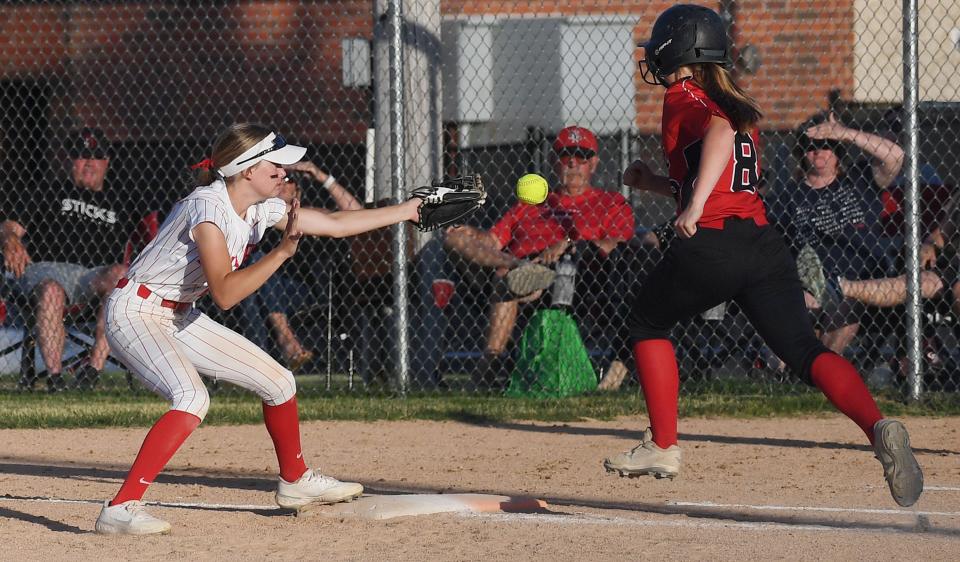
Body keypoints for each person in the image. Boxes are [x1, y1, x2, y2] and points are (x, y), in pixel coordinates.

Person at [602, 4, 923, 508]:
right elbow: (723, 172)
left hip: (714, 245)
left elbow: (719, 135)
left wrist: (696, 205)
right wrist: (660, 187)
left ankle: (663, 446)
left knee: (646, 324)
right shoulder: (732, 95)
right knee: (805, 351)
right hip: (762, 245)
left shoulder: (685, 94)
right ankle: (878, 427)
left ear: (678, 52)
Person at [93, 123, 423, 535]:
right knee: (192, 398)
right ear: (246, 169)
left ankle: (296, 481)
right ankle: (120, 508)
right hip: (134, 312)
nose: (285, 173)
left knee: (279, 382)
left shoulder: (256, 208)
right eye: (276, 165)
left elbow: (337, 223)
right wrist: (283, 252)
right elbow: (227, 295)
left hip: (177, 314)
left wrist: (409, 211)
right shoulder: (207, 210)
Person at [444, 125, 636, 389]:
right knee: (456, 237)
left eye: (581, 156)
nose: (572, 163)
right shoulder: (532, 203)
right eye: (565, 156)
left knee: (506, 278)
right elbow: (492, 242)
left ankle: (488, 364)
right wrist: (467, 233)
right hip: (513, 267)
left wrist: (569, 244)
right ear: (553, 162)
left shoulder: (610, 202)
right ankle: (519, 267)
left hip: (578, 277)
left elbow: (618, 245)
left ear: (594, 163)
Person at [0, 128, 135, 392]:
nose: (88, 162)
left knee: (121, 274)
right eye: (81, 155)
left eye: (95, 156)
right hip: (47, 273)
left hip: (94, 276)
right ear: (69, 161)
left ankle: (91, 372)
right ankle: (56, 378)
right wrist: (10, 240)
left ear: (106, 161)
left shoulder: (122, 200)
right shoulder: (47, 190)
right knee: (51, 291)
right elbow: (9, 226)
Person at [768, 112, 907, 353]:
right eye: (810, 146)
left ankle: (820, 374)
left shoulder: (860, 178)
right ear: (801, 155)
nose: (819, 151)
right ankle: (792, 378)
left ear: (838, 153)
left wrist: (844, 133)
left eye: (827, 145)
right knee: (794, 310)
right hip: (809, 281)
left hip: (862, 278)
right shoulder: (787, 196)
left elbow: (895, 155)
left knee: (846, 307)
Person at [238, 160, 362, 371]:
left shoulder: (310, 215)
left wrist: (322, 175)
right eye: (275, 177)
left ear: (298, 188)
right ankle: (266, 361)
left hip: (306, 291)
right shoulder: (259, 212)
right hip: (263, 289)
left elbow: (356, 213)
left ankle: (269, 356)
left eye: (288, 179)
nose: (282, 182)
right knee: (255, 274)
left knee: (259, 276)